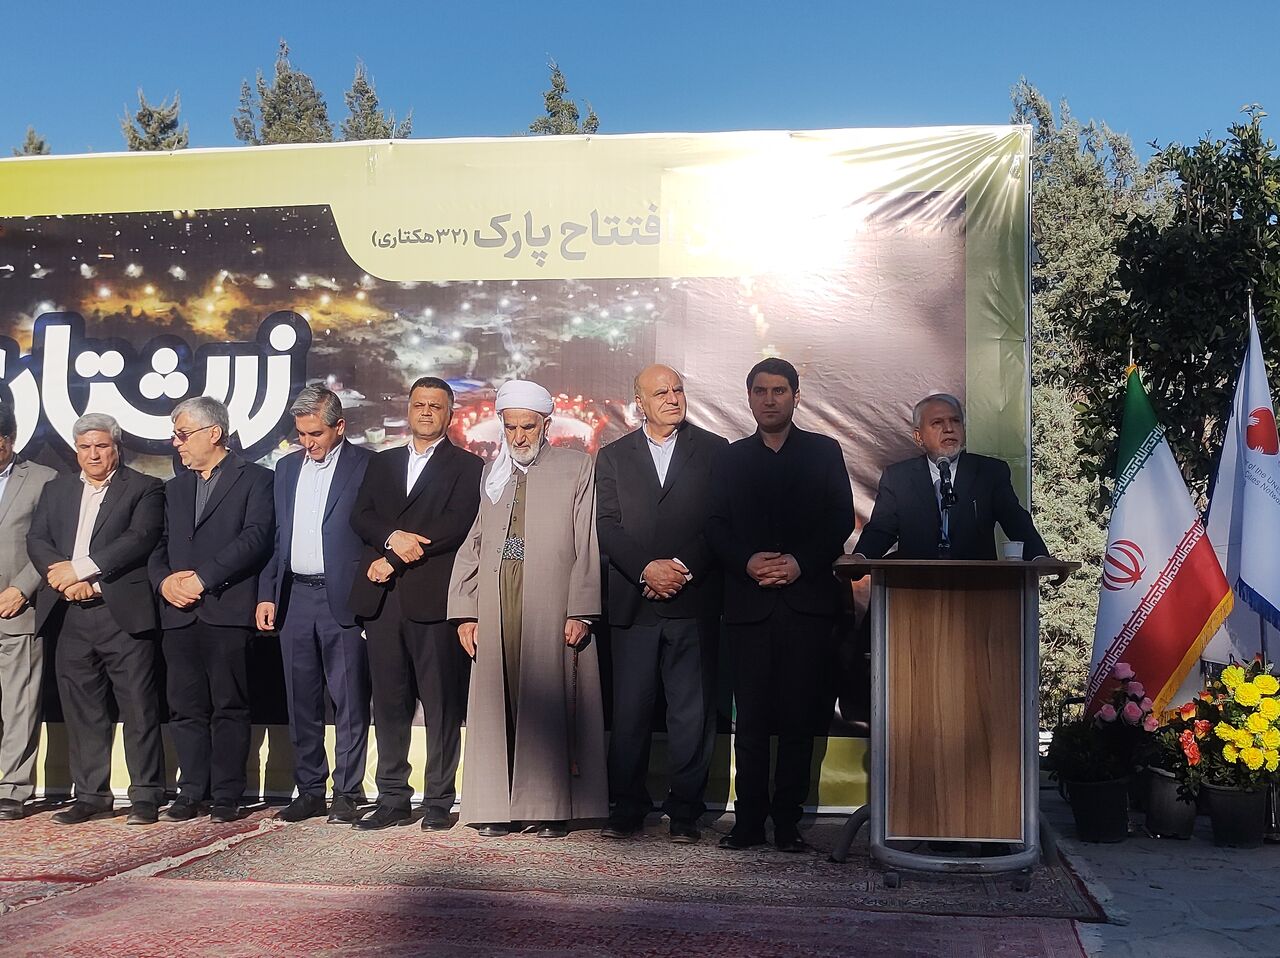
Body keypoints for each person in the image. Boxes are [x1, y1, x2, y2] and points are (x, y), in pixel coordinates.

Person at [706, 357, 854, 853]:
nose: (769, 399)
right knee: (749, 721)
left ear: (796, 397)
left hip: (806, 604)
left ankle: (788, 823)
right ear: (749, 398)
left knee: (798, 718)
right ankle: (748, 821)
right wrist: (747, 562)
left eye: (779, 391)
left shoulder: (824, 452)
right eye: (761, 391)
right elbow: (714, 524)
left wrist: (799, 563)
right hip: (748, 605)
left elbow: (839, 518)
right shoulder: (730, 458)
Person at [447, 380, 606, 838]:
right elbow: (476, 542)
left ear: (545, 425)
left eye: (528, 427)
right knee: (499, 698)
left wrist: (581, 609)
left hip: (552, 601)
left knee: (546, 699)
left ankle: (548, 808)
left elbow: (586, 540)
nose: (518, 436)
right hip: (497, 599)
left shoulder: (576, 467)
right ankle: (496, 805)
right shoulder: (492, 474)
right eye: (511, 427)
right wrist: (466, 610)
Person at [595, 365, 727, 844]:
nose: (673, 398)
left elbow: (720, 520)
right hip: (633, 603)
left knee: (691, 713)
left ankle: (686, 811)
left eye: (678, 390)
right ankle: (627, 807)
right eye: (661, 392)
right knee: (630, 711)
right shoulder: (612, 456)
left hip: (693, 601)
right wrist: (646, 569)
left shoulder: (715, 450)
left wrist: (680, 568)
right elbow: (606, 523)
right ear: (640, 403)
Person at [347, 377, 483, 831]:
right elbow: (361, 515)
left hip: (434, 599)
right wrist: (391, 538)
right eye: (419, 404)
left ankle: (439, 800)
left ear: (450, 414)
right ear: (408, 409)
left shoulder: (468, 466)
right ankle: (392, 797)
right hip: (382, 601)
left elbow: (457, 523)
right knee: (389, 702)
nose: (426, 412)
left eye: (436, 406)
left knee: (441, 703)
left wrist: (393, 557)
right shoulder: (382, 462)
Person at [27, 413, 165, 825]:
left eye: (101, 446)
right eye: (85, 447)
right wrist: (65, 581)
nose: (93, 454)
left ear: (116, 448)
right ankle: (91, 795)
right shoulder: (57, 489)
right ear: (76, 451)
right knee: (82, 709)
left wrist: (81, 570)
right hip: (70, 614)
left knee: (138, 707)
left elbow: (139, 539)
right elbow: (38, 539)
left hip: (121, 614)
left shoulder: (144, 487)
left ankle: (145, 795)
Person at [150, 396, 273, 823]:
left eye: (183, 435)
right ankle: (190, 791)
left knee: (228, 705)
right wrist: (165, 582)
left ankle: (226, 794)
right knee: (184, 707)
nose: (177, 443)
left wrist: (201, 579)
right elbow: (157, 545)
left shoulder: (256, 479)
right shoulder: (174, 487)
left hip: (226, 608)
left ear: (214, 433)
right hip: (179, 613)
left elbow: (255, 538)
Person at [256, 385, 373, 824]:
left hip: (343, 599)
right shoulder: (286, 468)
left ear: (339, 426)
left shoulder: (367, 465)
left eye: (315, 434)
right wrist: (267, 592)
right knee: (300, 700)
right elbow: (276, 538)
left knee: (349, 701)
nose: (307, 443)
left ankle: (348, 791)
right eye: (301, 434)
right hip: (294, 599)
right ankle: (309, 790)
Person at [853, 393, 1048, 561]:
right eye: (937, 423)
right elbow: (881, 529)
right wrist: (860, 557)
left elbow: (1015, 520)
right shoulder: (898, 477)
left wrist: (1039, 556)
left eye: (955, 421)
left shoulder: (989, 472)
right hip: (915, 584)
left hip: (978, 584)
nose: (949, 429)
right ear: (918, 436)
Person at [0, 403, 55, 821]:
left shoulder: (42, 479)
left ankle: (11, 788)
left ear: (9, 441)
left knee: (18, 704)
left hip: (16, 609)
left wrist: (22, 588)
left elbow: (50, 543)